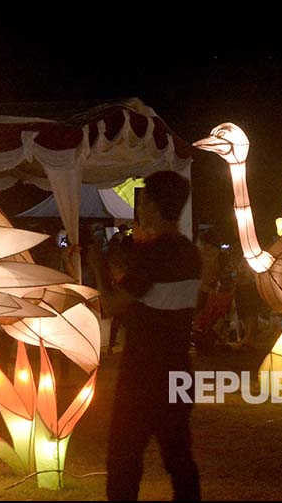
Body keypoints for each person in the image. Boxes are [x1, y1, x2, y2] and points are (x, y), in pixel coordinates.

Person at [89, 170, 201, 501]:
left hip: (143, 374)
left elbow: (112, 304)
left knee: (124, 459)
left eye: (143, 200)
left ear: (152, 204)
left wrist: (96, 267)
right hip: (178, 371)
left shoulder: (154, 254)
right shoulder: (189, 254)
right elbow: (153, 295)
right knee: (179, 458)